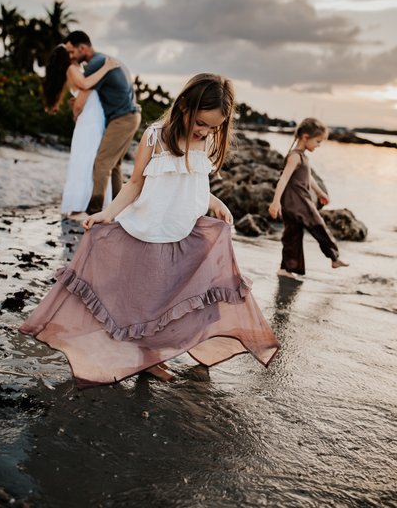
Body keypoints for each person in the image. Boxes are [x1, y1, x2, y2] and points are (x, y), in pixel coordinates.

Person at [19, 73, 279, 386]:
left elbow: (192, 182)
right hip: (147, 234)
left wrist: (215, 202)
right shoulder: (155, 137)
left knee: (176, 302)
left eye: (213, 127)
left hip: (185, 235)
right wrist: (108, 213)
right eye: (201, 123)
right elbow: (136, 183)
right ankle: (145, 359)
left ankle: (155, 356)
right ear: (183, 105)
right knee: (146, 303)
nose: (205, 131)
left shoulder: (206, 142)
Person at [64, 31, 141, 218]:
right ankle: (118, 211)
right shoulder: (106, 60)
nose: (71, 57)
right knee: (113, 165)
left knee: (102, 163)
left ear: (82, 48)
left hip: (122, 118)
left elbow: (81, 99)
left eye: (72, 52)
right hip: (130, 116)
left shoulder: (96, 64)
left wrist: (76, 115)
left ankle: (95, 211)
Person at [43, 45, 119, 220]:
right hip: (89, 120)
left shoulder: (76, 68)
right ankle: (80, 207)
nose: (73, 52)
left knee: (91, 159)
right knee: (86, 160)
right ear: (65, 57)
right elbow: (86, 85)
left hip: (94, 118)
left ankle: (89, 205)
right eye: (68, 51)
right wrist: (106, 68)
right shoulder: (71, 68)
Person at [268, 117, 349, 278]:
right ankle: (334, 257)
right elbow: (283, 178)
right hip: (299, 202)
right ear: (306, 137)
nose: (318, 145)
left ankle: (286, 268)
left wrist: (319, 192)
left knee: (292, 235)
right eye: (318, 141)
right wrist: (275, 202)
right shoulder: (295, 156)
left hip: (292, 204)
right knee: (318, 225)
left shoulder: (302, 157)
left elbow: (309, 178)